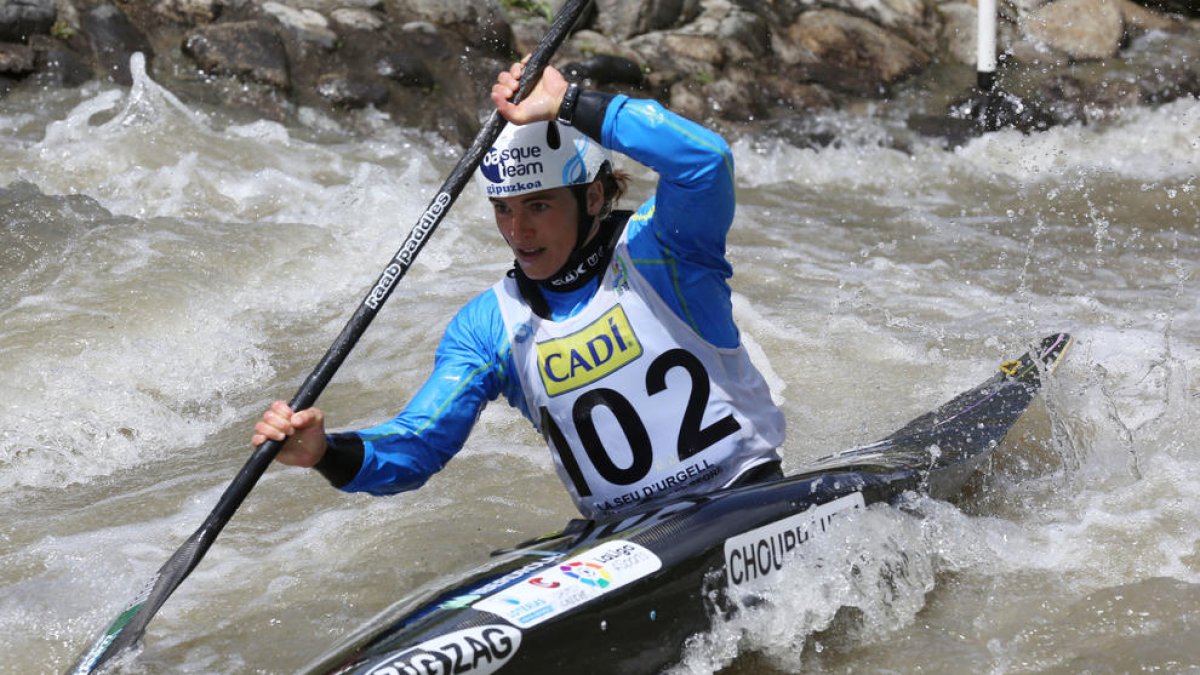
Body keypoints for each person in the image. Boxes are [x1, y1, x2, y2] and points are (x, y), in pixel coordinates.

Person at [252, 58, 786, 520]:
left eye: (538, 205)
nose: (518, 231)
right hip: (626, 535)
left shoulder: (665, 250)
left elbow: (705, 161)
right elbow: (419, 446)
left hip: (742, 494)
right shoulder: (489, 326)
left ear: (593, 197)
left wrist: (570, 104)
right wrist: (326, 453)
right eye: (503, 208)